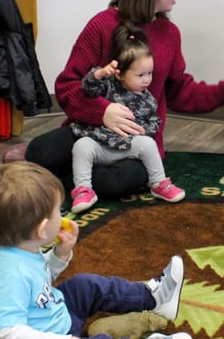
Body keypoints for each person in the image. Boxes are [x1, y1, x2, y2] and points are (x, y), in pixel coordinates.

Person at [15, 0, 224, 197]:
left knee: (115, 182)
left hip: (135, 142)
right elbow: (67, 86)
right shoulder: (101, 25)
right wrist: (103, 112)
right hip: (91, 132)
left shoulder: (170, 33)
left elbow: (179, 91)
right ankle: (72, 175)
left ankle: (68, 180)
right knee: (40, 152)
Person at [0, 161, 196, 339]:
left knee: (83, 285)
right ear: (43, 230)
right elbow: (7, 331)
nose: (62, 217)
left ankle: (153, 298)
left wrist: (59, 254)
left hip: (56, 321)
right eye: (58, 211)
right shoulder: (10, 274)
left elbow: (37, 286)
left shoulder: (20, 247)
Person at [69, 23, 185, 213]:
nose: (147, 80)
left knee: (148, 144)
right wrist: (99, 74)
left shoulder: (148, 100)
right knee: (81, 146)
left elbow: (154, 121)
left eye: (150, 73)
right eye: (140, 75)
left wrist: (144, 131)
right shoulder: (109, 86)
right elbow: (88, 88)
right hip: (101, 145)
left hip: (128, 147)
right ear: (120, 74)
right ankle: (83, 189)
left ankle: (159, 183)